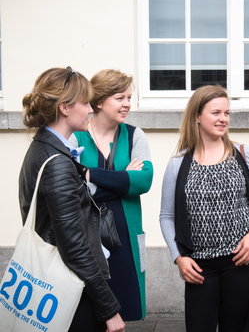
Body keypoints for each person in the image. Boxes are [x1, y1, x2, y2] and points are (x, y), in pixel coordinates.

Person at [18, 67, 125, 332]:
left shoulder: (43, 148)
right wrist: (109, 308)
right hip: (71, 290)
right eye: (86, 102)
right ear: (65, 108)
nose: (91, 109)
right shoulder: (56, 162)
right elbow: (74, 245)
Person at [160, 85, 249, 332]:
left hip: (241, 263)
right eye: (216, 113)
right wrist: (178, 257)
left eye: (227, 113)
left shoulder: (243, 153)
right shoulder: (178, 163)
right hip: (199, 268)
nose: (223, 119)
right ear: (197, 117)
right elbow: (167, 216)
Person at [70, 69, 153, 321]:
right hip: (87, 235)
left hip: (125, 234)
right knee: (89, 309)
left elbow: (144, 181)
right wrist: (123, 179)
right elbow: (75, 188)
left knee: (123, 308)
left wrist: (90, 174)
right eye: (120, 98)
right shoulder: (76, 135)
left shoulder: (134, 135)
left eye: (129, 97)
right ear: (99, 101)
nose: (127, 104)